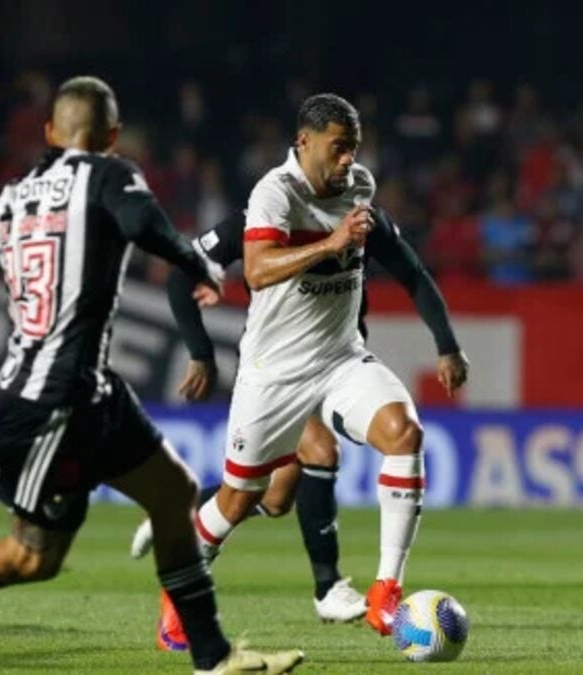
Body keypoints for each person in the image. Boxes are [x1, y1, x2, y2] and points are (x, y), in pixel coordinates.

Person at [0, 76, 304, 675]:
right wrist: (197, 265)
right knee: (28, 559)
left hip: (83, 391)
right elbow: (142, 226)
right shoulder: (110, 174)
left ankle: (211, 656)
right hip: (50, 403)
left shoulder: (10, 197)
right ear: (111, 136)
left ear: (51, 132)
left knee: (173, 494)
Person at [154, 93, 429, 642]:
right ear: (304, 141)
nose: (349, 157)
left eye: (354, 146)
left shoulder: (360, 186)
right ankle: (177, 593)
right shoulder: (272, 193)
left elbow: (402, 265)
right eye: (338, 146)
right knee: (243, 499)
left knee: (404, 434)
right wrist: (330, 243)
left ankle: (384, 592)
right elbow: (256, 271)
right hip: (273, 371)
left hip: (341, 356)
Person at [132, 205, 467, 638]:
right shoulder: (265, 212)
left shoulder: (360, 211)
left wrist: (447, 343)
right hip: (277, 371)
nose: (344, 165)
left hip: (338, 363)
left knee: (275, 499)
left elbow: (414, 272)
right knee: (299, 465)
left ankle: (185, 516)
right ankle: (326, 587)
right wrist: (199, 351)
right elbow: (181, 273)